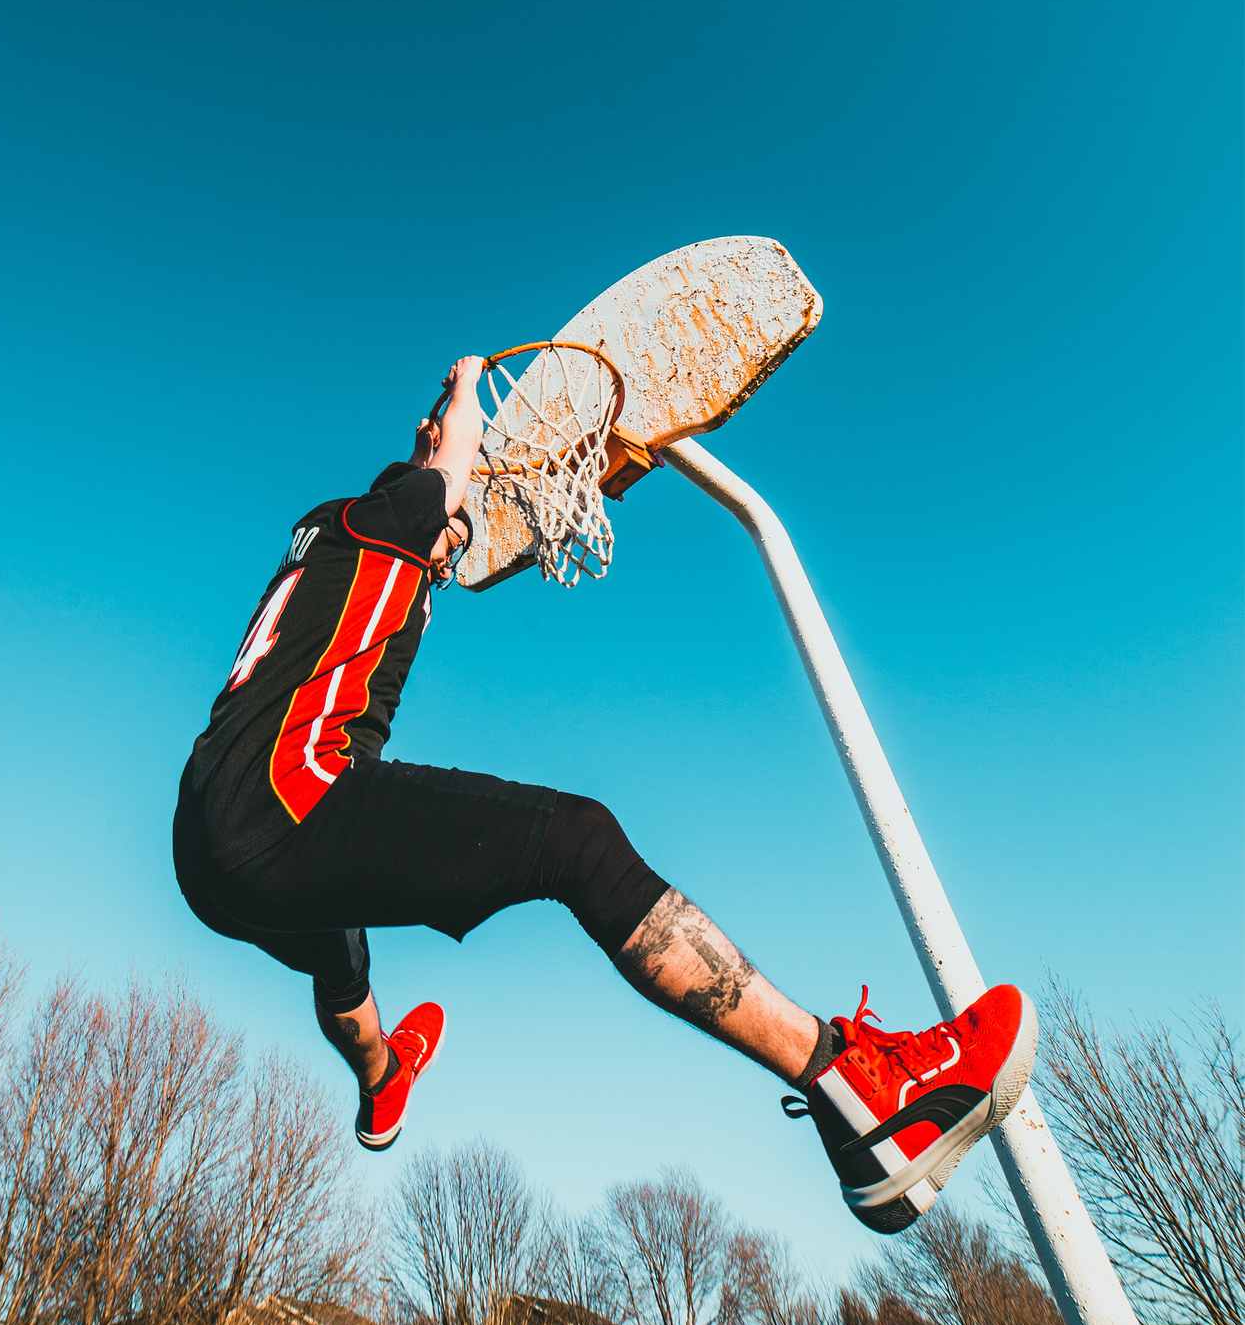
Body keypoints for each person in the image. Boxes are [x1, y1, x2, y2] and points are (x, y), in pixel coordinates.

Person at [173, 357, 1036, 1235]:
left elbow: (430, 540)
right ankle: (852, 1090)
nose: (454, 536)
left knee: (339, 975)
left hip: (206, 847)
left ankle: (381, 1078)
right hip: (292, 797)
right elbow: (440, 474)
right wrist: (465, 391)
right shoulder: (385, 511)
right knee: (578, 841)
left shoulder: (333, 565)